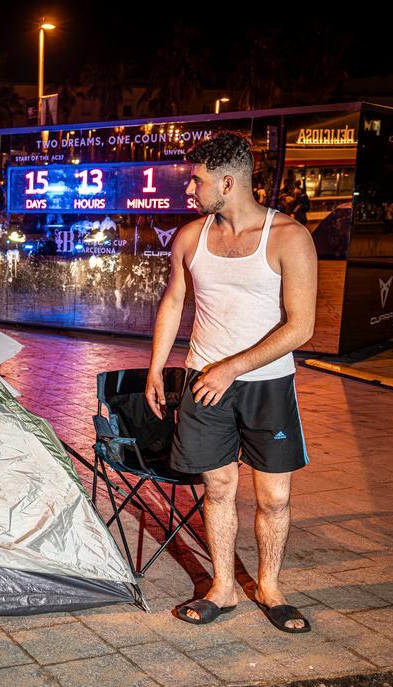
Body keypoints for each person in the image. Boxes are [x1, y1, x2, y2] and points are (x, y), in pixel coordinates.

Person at [146, 132, 317, 634]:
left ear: (226, 181)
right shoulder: (190, 238)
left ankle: (270, 587)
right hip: (204, 382)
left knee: (274, 498)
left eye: (196, 180)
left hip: (266, 385)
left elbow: (300, 326)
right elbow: (174, 302)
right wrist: (158, 366)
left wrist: (232, 368)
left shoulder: (288, 237)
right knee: (217, 489)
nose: (189, 190)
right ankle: (223, 587)